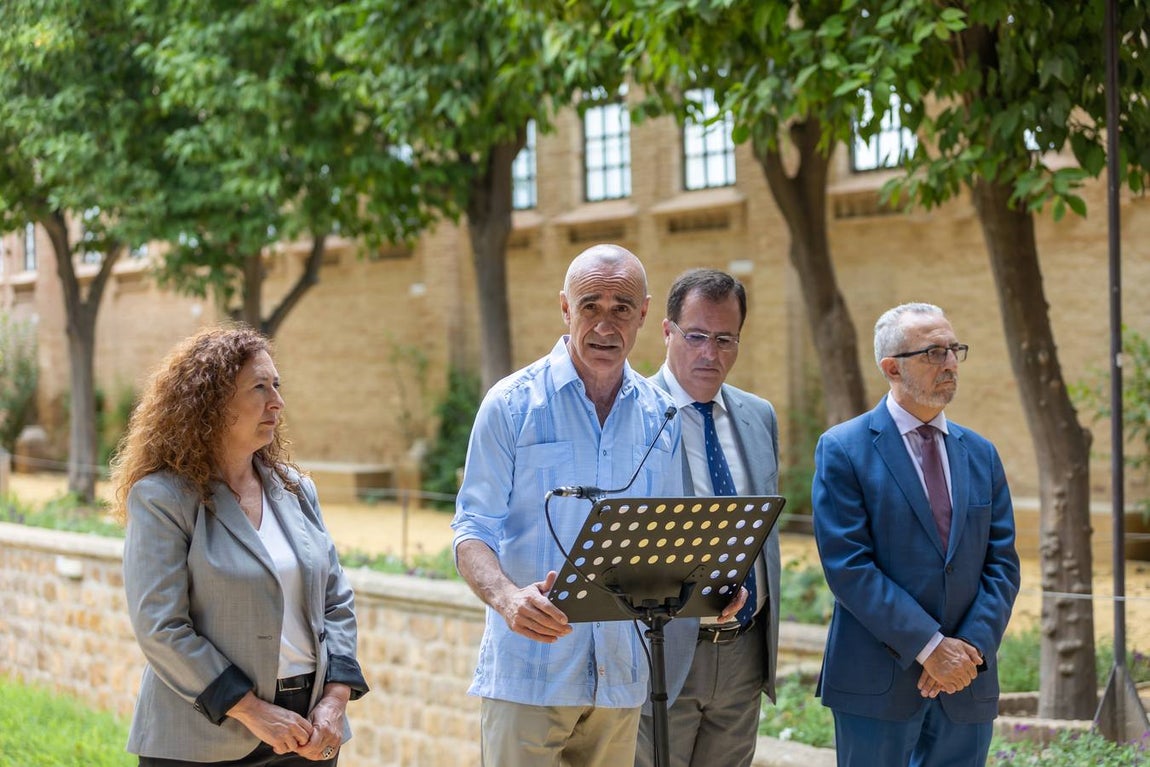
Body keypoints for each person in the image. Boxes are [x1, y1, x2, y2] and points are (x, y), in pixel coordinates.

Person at [452, 244, 740, 767]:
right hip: (531, 674)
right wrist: (508, 598)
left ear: (646, 315)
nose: (605, 325)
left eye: (621, 308)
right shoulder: (510, 404)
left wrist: (712, 586)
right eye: (591, 305)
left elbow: (663, 538)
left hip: (623, 680)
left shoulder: (661, 415)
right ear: (565, 308)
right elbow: (472, 529)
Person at [112, 326, 369, 766]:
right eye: (259, 387)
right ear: (211, 403)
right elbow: (161, 627)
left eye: (277, 385)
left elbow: (336, 601)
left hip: (309, 731)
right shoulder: (162, 498)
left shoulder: (297, 491)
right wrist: (253, 711)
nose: (277, 401)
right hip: (203, 734)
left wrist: (334, 700)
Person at [811, 303, 1021, 767]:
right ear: (891, 368)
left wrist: (966, 651)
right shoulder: (843, 449)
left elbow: (1002, 565)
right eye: (933, 353)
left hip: (968, 683)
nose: (949, 363)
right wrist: (930, 648)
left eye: (953, 350)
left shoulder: (982, 454)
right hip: (876, 684)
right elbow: (849, 567)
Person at [637, 268, 782, 767]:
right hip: (666, 651)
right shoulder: (630, 416)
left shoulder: (758, 415)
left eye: (725, 339)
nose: (710, 353)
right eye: (696, 336)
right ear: (666, 332)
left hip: (745, 652)